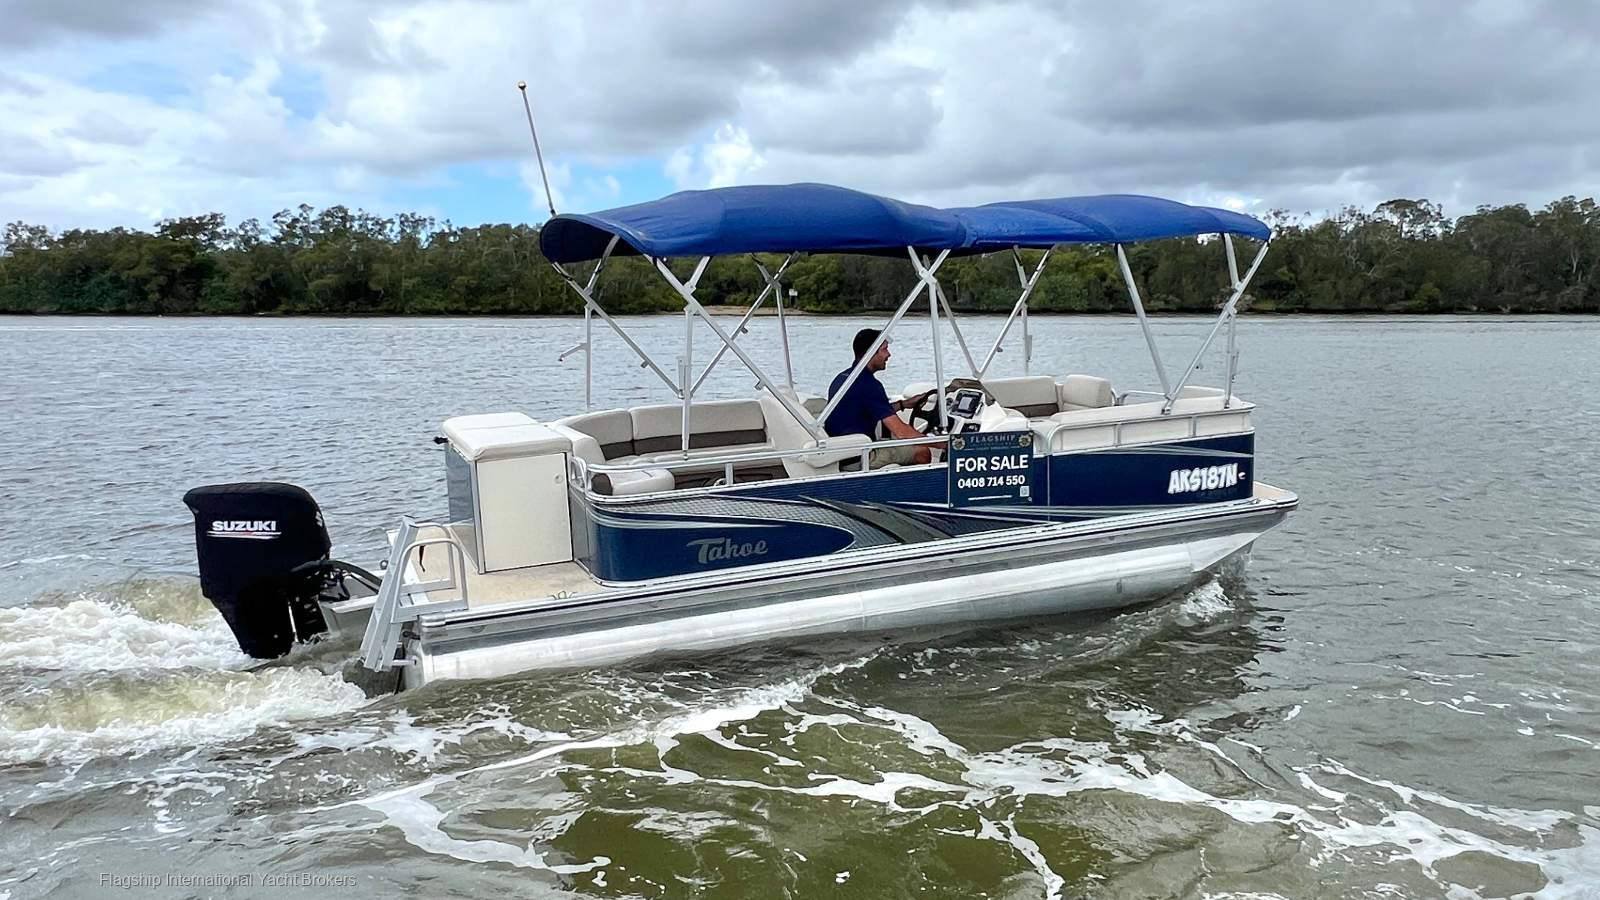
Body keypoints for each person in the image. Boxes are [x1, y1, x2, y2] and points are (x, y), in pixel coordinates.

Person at [823, 328, 937, 467]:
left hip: (841, 452)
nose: (888, 354)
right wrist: (946, 443)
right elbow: (901, 431)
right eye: (884, 349)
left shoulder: (843, 378)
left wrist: (904, 404)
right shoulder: (868, 385)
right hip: (859, 457)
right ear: (871, 353)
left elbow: (867, 409)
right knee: (922, 452)